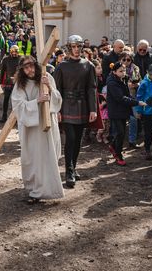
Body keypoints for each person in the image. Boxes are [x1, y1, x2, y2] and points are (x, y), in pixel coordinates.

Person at [11, 56, 64, 203]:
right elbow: (18, 106)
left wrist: (50, 88)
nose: (30, 70)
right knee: (34, 158)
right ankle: (35, 190)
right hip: (32, 128)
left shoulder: (47, 77)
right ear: (22, 70)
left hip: (48, 124)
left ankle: (50, 189)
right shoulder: (20, 85)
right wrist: (36, 102)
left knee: (50, 155)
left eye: (32, 66)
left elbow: (58, 100)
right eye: (26, 68)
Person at [53, 35, 97, 188]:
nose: (77, 49)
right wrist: (57, 109)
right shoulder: (61, 67)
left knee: (78, 139)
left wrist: (93, 109)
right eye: (74, 46)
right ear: (69, 48)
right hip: (66, 106)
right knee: (70, 138)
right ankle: (69, 171)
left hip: (83, 106)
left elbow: (92, 88)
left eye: (79, 46)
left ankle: (74, 166)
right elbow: (56, 90)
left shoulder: (88, 65)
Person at [106, 62, 146, 166]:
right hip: (115, 110)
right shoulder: (112, 82)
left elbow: (126, 93)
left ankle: (114, 147)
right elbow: (120, 98)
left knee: (121, 132)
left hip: (122, 110)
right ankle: (118, 155)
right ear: (114, 72)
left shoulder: (122, 79)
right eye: (120, 71)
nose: (123, 73)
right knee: (120, 132)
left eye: (124, 70)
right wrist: (136, 102)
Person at [136, 64, 152, 160]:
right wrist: (139, 111)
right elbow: (139, 97)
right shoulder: (144, 83)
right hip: (147, 112)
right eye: (151, 74)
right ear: (147, 72)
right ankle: (147, 150)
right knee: (148, 132)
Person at [0, 45, 20, 123]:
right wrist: (0, 82)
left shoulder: (21, 59)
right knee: (6, 99)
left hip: (17, 83)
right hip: (8, 83)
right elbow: (2, 71)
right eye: (13, 51)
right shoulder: (6, 60)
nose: (14, 53)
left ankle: (17, 117)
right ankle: (4, 116)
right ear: (10, 51)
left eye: (15, 51)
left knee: (17, 101)